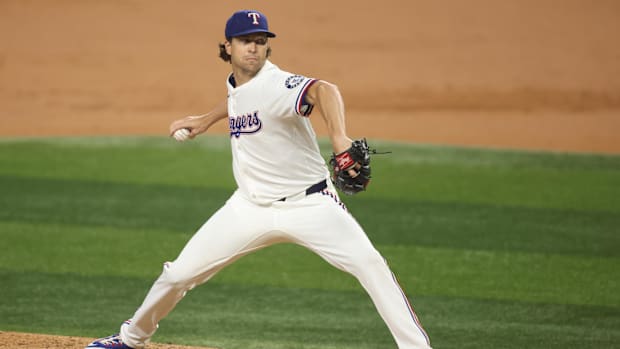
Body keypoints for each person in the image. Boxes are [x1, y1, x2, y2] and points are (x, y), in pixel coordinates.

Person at [85, 9, 431, 349]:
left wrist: (339, 137)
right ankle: (131, 339)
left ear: (268, 47)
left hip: (310, 204)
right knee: (177, 275)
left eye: (260, 41)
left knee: (371, 266)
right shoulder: (239, 86)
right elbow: (242, 100)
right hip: (248, 208)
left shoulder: (278, 83)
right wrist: (206, 119)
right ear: (228, 46)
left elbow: (324, 89)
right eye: (245, 41)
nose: (253, 47)